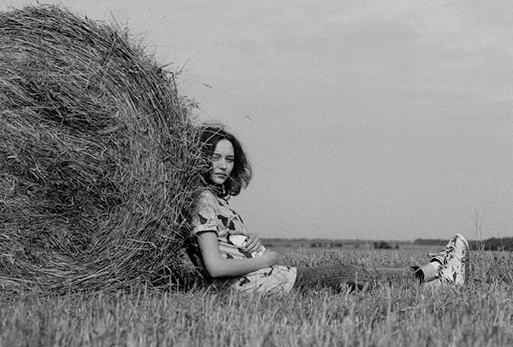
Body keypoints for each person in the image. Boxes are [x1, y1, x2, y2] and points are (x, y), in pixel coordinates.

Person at [185, 124, 468, 295]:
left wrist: (250, 244)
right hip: (264, 284)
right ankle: (437, 269)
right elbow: (215, 267)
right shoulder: (203, 200)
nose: (223, 165)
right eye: (215, 157)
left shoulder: (214, 200)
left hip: (270, 280)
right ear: (199, 156)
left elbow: (223, 246)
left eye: (229, 159)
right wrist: (265, 259)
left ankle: (436, 280)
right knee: (349, 273)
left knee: (353, 278)